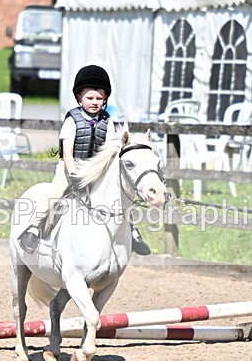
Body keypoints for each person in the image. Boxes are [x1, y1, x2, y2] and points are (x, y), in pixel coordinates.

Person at [17, 64, 151, 255]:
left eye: (99, 98)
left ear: (105, 99)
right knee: (54, 191)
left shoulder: (107, 122)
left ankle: (133, 231)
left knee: (120, 198)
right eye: (90, 97)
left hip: (97, 170)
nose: (95, 102)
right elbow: (67, 153)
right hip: (71, 168)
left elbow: (110, 151)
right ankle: (34, 227)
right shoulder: (72, 120)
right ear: (79, 97)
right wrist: (74, 176)